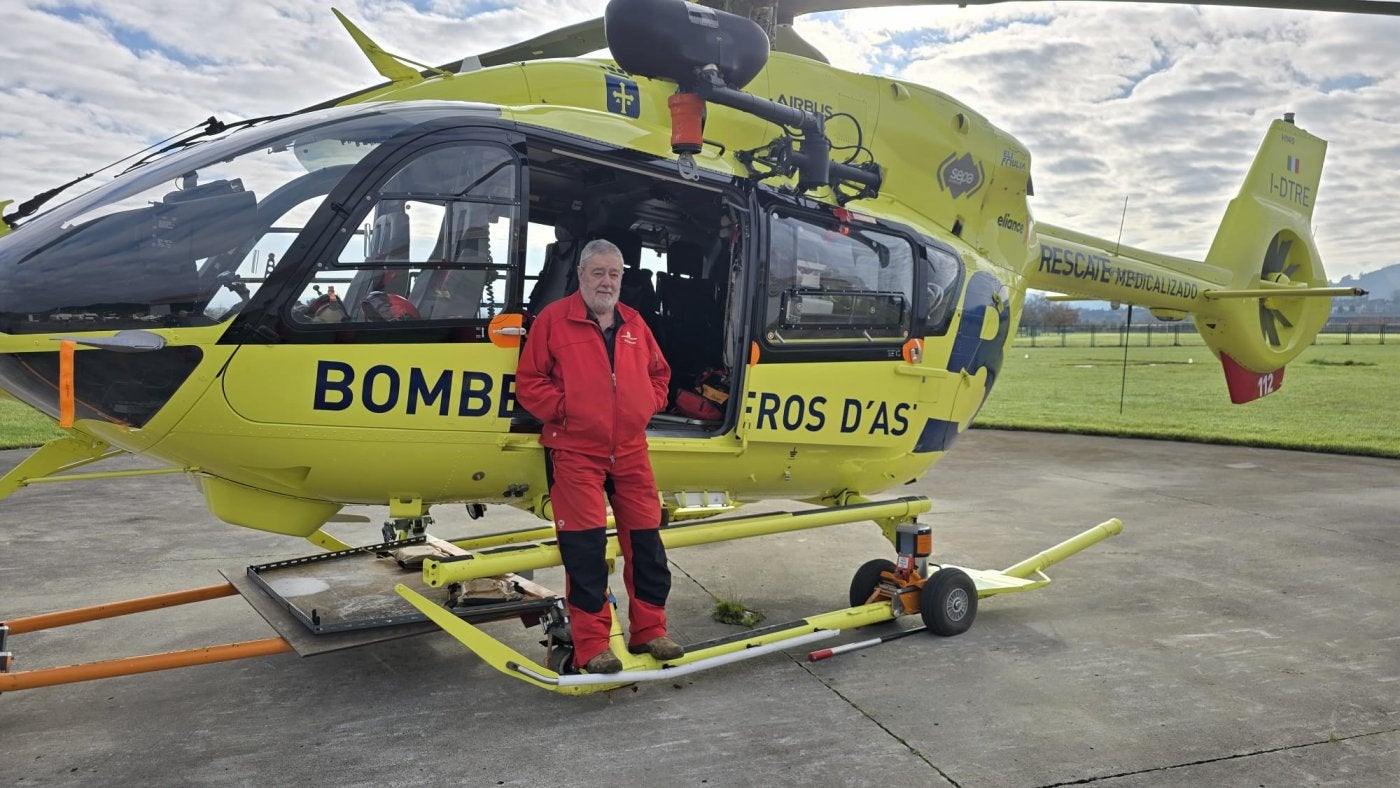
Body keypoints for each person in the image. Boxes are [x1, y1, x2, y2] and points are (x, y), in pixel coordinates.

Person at [514, 238, 683, 674]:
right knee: (586, 552)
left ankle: (651, 631)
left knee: (647, 546)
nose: (606, 282)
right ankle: (592, 646)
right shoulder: (553, 320)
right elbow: (530, 382)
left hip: (630, 452)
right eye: (598, 273)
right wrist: (569, 411)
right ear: (581, 275)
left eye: (614, 274)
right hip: (575, 452)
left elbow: (660, 374)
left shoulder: (634, 323)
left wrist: (646, 402)